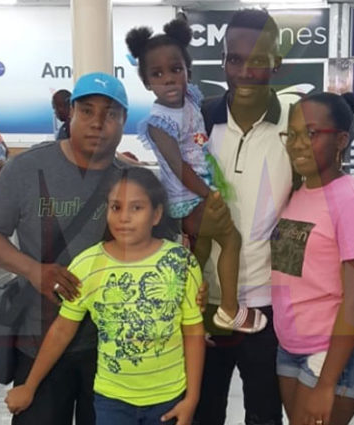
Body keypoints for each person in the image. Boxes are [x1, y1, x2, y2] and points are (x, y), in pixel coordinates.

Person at [0, 72, 130, 425]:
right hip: (39, 339)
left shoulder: (131, 179)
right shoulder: (28, 168)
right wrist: (33, 271)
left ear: (124, 121)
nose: (97, 123)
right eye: (87, 111)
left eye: (110, 114)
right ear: (70, 114)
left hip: (110, 348)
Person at [4, 166, 205, 425]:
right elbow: (62, 330)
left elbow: (193, 332)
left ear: (156, 214)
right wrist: (29, 386)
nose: (124, 218)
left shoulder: (180, 262)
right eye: (116, 207)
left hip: (169, 398)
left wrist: (192, 399)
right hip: (112, 401)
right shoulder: (87, 264)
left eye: (136, 208)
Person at [127, 18, 262, 333]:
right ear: (146, 82)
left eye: (176, 69)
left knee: (197, 256)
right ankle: (229, 309)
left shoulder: (190, 100)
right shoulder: (159, 122)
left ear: (188, 70)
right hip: (188, 197)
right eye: (157, 74)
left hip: (203, 186)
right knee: (231, 239)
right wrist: (207, 194)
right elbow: (179, 168)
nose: (169, 79)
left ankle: (185, 313)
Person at [194, 9, 292, 425]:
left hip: (270, 306)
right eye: (235, 59)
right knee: (202, 413)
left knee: (265, 415)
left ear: (276, 63)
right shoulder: (199, 120)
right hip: (205, 300)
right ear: (223, 62)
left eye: (257, 60)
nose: (245, 72)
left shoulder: (296, 123)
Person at [271, 92, 354, 425]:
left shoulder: (352, 202)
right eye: (292, 134)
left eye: (311, 134)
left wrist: (327, 383)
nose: (297, 144)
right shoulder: (298, 194)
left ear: (341, 140)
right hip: (291, 346)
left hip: (333, 354)